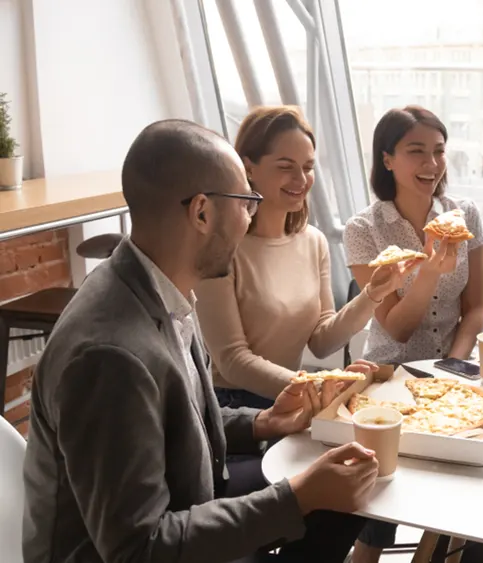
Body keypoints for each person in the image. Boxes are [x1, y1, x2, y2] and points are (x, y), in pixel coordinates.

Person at [22, 119, 379, 563]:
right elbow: (139, 549)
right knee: (322, 497)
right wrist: (295, 498)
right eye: (246, 201)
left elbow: (170, 421)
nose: (252, 214)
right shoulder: (109, 355)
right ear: (202, 213)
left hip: (189, 502)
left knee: (346, 493)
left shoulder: (156, 290)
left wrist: (262, 422)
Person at [343, 105, 483, 562]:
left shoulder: (464, 214)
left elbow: (476, 308)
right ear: (387, 159)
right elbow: (397, 327)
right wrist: (428, 267)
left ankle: (453, 551)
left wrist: (455, 367)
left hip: (457, 373)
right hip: (390, 373)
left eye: (439, 151)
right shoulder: (363, 229)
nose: (431, 164)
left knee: (474, 487)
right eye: (416, 152)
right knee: (382, 495)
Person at [197, 106, 408, 410]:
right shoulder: (221, 247)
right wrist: (317, 384)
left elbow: (322, 342)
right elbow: (232, 361)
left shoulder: (314, 242)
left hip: (295, 392)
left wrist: (374, 293)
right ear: (249, 168)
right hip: (234, 409)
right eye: (285, 166)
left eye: (308, 167)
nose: (301, 179)